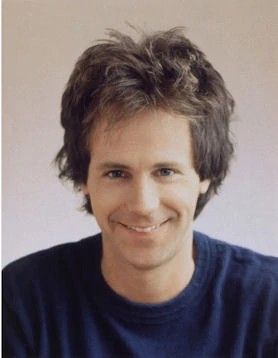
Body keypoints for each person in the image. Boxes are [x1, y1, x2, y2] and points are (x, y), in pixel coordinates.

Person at [3, 28, 278, 357]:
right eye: (116, 173)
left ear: (204, 173)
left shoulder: (269, 301)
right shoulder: (22, 298)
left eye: (165, 172)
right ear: (83, 178)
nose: (143, 204)